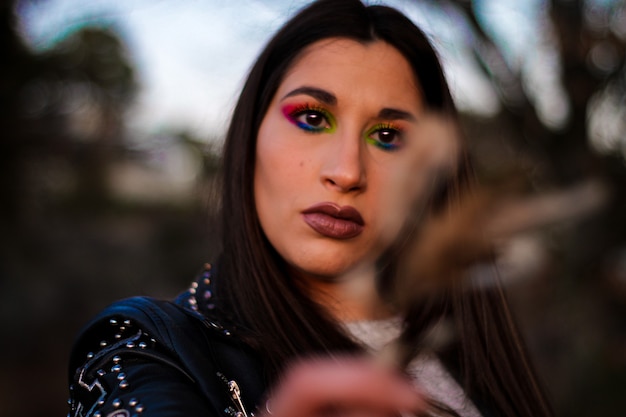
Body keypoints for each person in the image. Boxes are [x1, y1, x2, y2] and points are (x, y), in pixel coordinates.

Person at [67, 1, 553, 416]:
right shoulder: (143, 350)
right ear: (250, 138)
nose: (346, 172)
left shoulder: (472, 341)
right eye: (312, 118)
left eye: (388, 137)